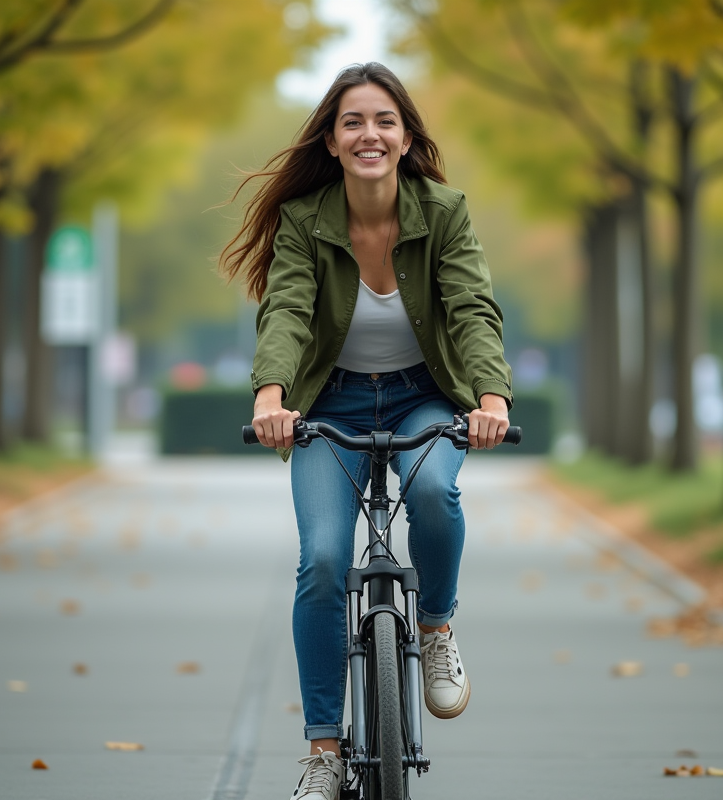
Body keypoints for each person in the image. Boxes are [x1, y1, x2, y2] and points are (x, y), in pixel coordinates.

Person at [219, 62, 512, 800]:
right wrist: (271, 396)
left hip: (423, 397)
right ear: (332, 138)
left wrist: (490, 398)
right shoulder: (305, 219)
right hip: (330, 406)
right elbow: (285, 310)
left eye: (384, 120)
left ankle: (436, 629)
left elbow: (472, 307)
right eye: (353, 121)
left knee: (438, 496)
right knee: (321, 560)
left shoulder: (443, 211)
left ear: (407, 137)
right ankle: (324, 750)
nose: (369, 133)